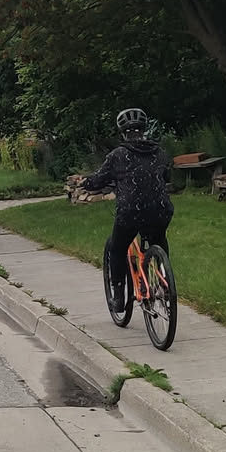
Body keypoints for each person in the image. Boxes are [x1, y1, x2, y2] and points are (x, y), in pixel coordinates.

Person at [82, 108, 172, 312]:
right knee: (159, 238)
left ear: (122, 132)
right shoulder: (160, 153)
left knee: (117, 248)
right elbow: (167, 177)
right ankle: (164, 280)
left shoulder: (118, 155)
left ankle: (119, 298)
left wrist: (85, 182)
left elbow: (98, 180)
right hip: (161, 210)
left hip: (131, 212)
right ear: (144, 129)